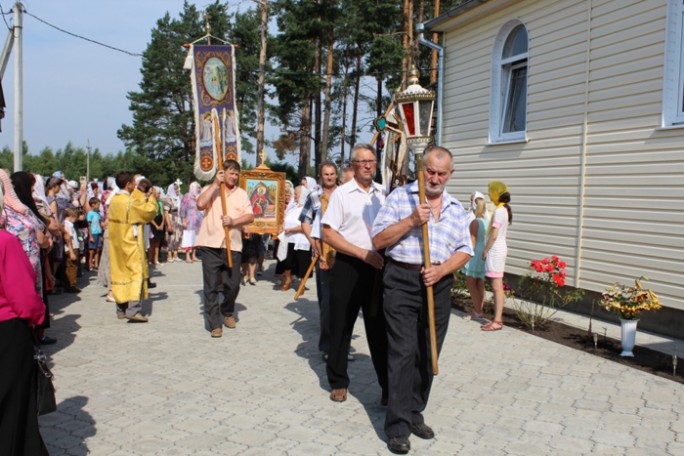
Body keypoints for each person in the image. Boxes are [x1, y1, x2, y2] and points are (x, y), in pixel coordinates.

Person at [371, 146, 473, 454]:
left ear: (450, 175)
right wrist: (412, 221)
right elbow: (378, 240)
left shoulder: (456, 208)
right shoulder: (401, 198)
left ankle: (415, 411)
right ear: (422, 169)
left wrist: (442, 269)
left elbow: (465, 249)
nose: (436, 178)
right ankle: (398, 426)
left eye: (442, 173)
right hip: (401, 279)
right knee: (403, 351)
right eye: (431, 171)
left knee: (429, 351)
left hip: (437, 284)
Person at [320, 143, 388, 404]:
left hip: (378, 267)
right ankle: (338, 381)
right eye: (362, 162)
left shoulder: (383, 193)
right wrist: (362, 253)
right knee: (341, 324)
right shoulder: (342, 194)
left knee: (379, 328)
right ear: (353, 165)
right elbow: (328, 232)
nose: (368, 165)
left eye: (372, 161)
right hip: (349, 264)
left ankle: (387, 386)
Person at [0, 181, 50, 456]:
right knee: (12, 405)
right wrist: (37, 317)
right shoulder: (5, 242)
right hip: (7, 331)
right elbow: (23, 297)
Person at [196, 160, 254, 338]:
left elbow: (250, 216)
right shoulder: (213, 189)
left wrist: (234, 222)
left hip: (233, 245)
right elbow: (200, 204)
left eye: (236, 174)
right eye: (231, 173)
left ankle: (227, 311)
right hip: (210, 245)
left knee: (233, 284)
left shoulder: (241, 194)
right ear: (223, 173)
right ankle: (215, 324)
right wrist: (215, 184)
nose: (234, 177)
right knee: (211, 286)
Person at [299, 162, 338, 359]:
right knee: (327, 304)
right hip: (323, 255)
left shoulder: (343, 195)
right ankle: (327, 347)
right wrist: (313, 242)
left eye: (332, 174)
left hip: (344, 255)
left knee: (344, 304)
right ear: (321, 176)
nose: (329, 177)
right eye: (326, 174)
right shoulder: (314, 196)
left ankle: (342, 346)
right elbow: (304, 220)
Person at [108, 171, 158, 322]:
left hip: (116, 242)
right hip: (129, 241)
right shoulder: (129, 202)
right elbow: (148, 212)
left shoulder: (114, 200)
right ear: (128, 184)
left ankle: (121, 309)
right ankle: (133, 309)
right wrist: (152, 200)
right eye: (133, 183)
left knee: (119, 273)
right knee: (136, 273)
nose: (135, 185)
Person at [481, 181, 513, 332]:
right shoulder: (502, 209)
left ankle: (498, 320)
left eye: (490, 191)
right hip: (498, 249)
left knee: (496, 286)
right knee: (496, 286)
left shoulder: (500, 211)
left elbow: (494, 235)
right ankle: (497, 319)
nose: (488, 193)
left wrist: (486, 250)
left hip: (496, 251)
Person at [279, 185, 311, 291]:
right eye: (295, 193)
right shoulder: (292, 207)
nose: (295, 196)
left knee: (303, 264)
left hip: (302, 241)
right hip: (289, 239)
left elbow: (306, 226)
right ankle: (287, 280)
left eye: (297, 194)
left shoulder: (307, 209)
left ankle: (301, 284)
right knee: (287, 262)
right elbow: (285, 220)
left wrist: (291, 230)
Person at [464, 191, 489, 320]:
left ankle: (477, 310)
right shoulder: (487, 220)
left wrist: (464, 257)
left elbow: (472, 242)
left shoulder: (475, 222)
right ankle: (479, 308)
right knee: (480, 282)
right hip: (484, 253)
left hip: (475, 253)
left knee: (471, 284)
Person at [181, 181, 203, 263]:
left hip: (198, 220)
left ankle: (194, 255)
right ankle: (187, 256)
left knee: (195, 238)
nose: (198, 189)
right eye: (197, 187)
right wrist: (183, 219)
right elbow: (182, 209)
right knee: (188, 238)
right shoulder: (187, 196)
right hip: (189, 220)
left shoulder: (199, 197)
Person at [63, 207, 82, 293]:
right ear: (71, 216)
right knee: (72, 267)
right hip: (72, 248)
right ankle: (71, 285)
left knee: (70, 266)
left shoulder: (66, 224)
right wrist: (71, 252)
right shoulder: (68, 225)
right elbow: (68, 239)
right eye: (75, 217)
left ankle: (69, 285)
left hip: (72, 247)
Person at [165, 180, 183, 263]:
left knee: (177, 236)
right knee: (170, 237)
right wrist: (168, 224)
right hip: (171, 219)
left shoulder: (179, 198)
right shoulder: (168, 199)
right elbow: (165, 212)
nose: (177, 190)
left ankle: (175, 254)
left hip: (178, 220)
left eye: (177, 189)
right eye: (175, 189)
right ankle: (169, 255)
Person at [86, 197, 104, 271]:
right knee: (91, 251)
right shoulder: (90, 214)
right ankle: (90, 265)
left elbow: (100, 222)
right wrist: (90, 236)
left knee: (97, 250)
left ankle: (96, 265)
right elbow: (89, 225)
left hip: (98, 233)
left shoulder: (97, 213)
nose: (99, 206)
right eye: (98, 204)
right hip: (93, 233)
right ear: (93, 205)